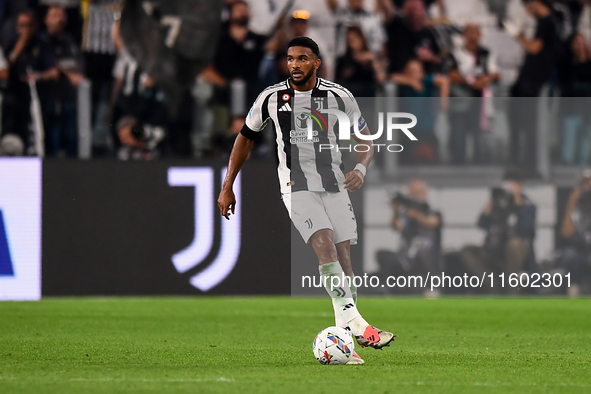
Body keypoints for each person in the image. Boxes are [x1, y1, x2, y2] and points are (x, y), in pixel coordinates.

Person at [217, 36, 395, 365]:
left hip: (335, 184)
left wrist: (360, 167)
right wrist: (228, 185)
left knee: (344, 259)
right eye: (290, 59)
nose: (295, 65)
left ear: (317, 63)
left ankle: (347, 338)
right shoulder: (271, 98)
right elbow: (244, 140)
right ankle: (358, 324)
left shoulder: (339, 96)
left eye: (302, 58)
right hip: (296, 186)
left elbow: (365, 138)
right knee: (324, 243)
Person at [505, 0, 560, 176]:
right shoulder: (545, 22)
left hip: (536, 85)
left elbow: (534, 48)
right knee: (522, 124)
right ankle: (522, 164)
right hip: (527, 84)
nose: (527, 11)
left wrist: (517, 35)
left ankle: (532, 167)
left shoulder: (547, 22)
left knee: (531, 127)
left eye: (528, 6)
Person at [461, 168, 537, 294]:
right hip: (494, 249)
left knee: (513, 245)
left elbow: (526, 228)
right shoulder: (499, 202)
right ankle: (493, 285)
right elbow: (482, 223)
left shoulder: (527, 204)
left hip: (516, 252)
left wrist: (517, 200)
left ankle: (511, 290)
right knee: (467, 250)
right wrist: (492, 197)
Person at [2, 10, 58, 151]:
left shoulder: (42, 44)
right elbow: (5, 70)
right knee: (12, 130)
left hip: (37, 96)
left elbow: (54, 72)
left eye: (29, 25)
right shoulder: (12, 44)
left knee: (38, 131)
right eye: (22, 25)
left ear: (35, 26)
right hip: (15, 96)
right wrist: (18, 49)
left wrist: (38, 76)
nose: (25, 29)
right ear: (17, 27)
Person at [376, 180, 443, 296]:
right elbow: (396, 226)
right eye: (413, 193)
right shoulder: (406, 214)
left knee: (423, 256)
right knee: (383, 255)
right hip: (406, 259)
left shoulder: (433, 212)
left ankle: (430, 288)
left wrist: (417, 216)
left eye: (419, 193)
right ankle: (390, 290)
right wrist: (396, 210)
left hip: (427, 260)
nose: (416, 196)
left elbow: (433, 222)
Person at [448, 23, 500, 165]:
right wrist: (471, 81)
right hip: (460, 99)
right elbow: (452, 75)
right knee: (458, 135)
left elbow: (495, 74)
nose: (473, 36)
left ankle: (480, 166)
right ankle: (458, 165)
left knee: (480, 136)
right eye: (470, 32)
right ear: (464, 35)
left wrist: (486, 79)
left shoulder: (486, 53)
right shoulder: (455, 54)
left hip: (480, 101)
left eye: (476, 33)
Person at [42, 5, 84, 157]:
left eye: (61, 15)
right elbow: (52, 66)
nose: (59, 19)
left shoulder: (70, 41)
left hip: (68, 98)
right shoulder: (43, 41)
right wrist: (70, 75)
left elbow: (78, 64)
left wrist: (76, 74)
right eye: (54, 16)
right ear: (46, 20)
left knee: (72, 137)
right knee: (52, 138)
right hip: (49, 99)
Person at [386, 0, 442, 76]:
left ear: (423, 10)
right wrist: (417, 58)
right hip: (402, 77)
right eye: (410, 10)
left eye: (416, 9)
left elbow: (439, 58)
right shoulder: (396, 29)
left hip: (427, 77)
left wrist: (431, 57)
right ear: (404, 10)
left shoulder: (428, 33)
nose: (414, 14)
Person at [559, 33, 591, 164]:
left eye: (581, 42)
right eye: (576, 43)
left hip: (588, 109)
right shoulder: (566, 64)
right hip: (571, 108)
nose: (580, 46)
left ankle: (583, 172)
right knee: (569, 142)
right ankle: (567, 173)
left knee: (586, 142)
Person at [560, 169, 591, 296]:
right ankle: (574, 286)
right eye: (585, 184)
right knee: (570, 255)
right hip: (577, 248)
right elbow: (566, 233)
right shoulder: (575, 207)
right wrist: (571, 203)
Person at [335, 26, 386, 97]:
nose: (351, 44)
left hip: (368, 98)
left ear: (361, 39)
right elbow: (339, 82)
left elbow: (381, 79)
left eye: (353, 40)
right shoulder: (344, 60)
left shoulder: (370, 58)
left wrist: (373, 60)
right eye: (349, 41)